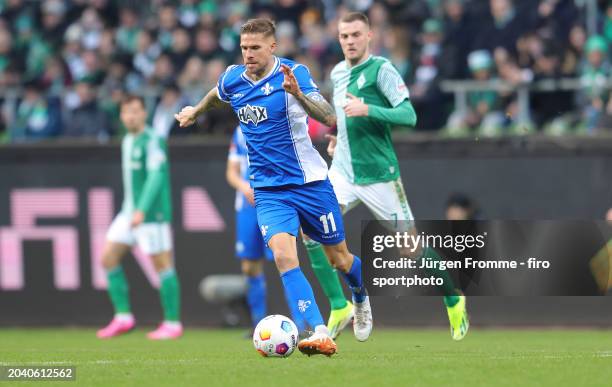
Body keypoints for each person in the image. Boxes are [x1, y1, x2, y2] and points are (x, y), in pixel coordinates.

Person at [175, 18, 372, 356]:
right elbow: (216, 94)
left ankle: (360, 296)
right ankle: (320, 330)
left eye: (255, 48)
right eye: (244, 48)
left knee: (339, 259)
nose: (248, 54)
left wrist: (297, 94)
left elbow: (327, 116)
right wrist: (195, 110)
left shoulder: (293, 74)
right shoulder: (233, 78)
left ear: (272, 47)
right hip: (268, 190)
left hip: (310, 183)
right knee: (283, 256)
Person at [323, 12, 469, 340]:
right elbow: (346, 121)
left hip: (379, 175)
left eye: (355, 35)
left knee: (410, 247)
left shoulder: (382, 69)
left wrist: (369, 109)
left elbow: (409, 114)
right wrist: (339, 141)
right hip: (344, 171)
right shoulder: (337, 73)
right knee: (314, 228)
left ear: (370, 35)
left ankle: (453, 297)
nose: (349, 41)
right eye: (344, 36)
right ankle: (348, 302)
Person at [97, 95, 181, 340]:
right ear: (122, 116)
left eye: (135, 111)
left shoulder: (153, 140)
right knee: (108, 258)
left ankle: (173, 323)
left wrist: (142, 209)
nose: (131, 116)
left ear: (144, 113)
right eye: (126, 112)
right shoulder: (127, 140)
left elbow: (156, 177)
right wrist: (133, 210)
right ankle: (123, 317)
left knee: (162, 266)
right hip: (128, 213)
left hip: (151, 214)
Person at [226, 125, 307, 334]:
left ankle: (300, 323)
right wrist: (244, 187)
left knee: (287, 260)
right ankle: (258, 324)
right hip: (247, 206)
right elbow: (231, 171)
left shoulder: (279, 122)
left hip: (275, 200)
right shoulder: (239, 131)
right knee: (249, 267)